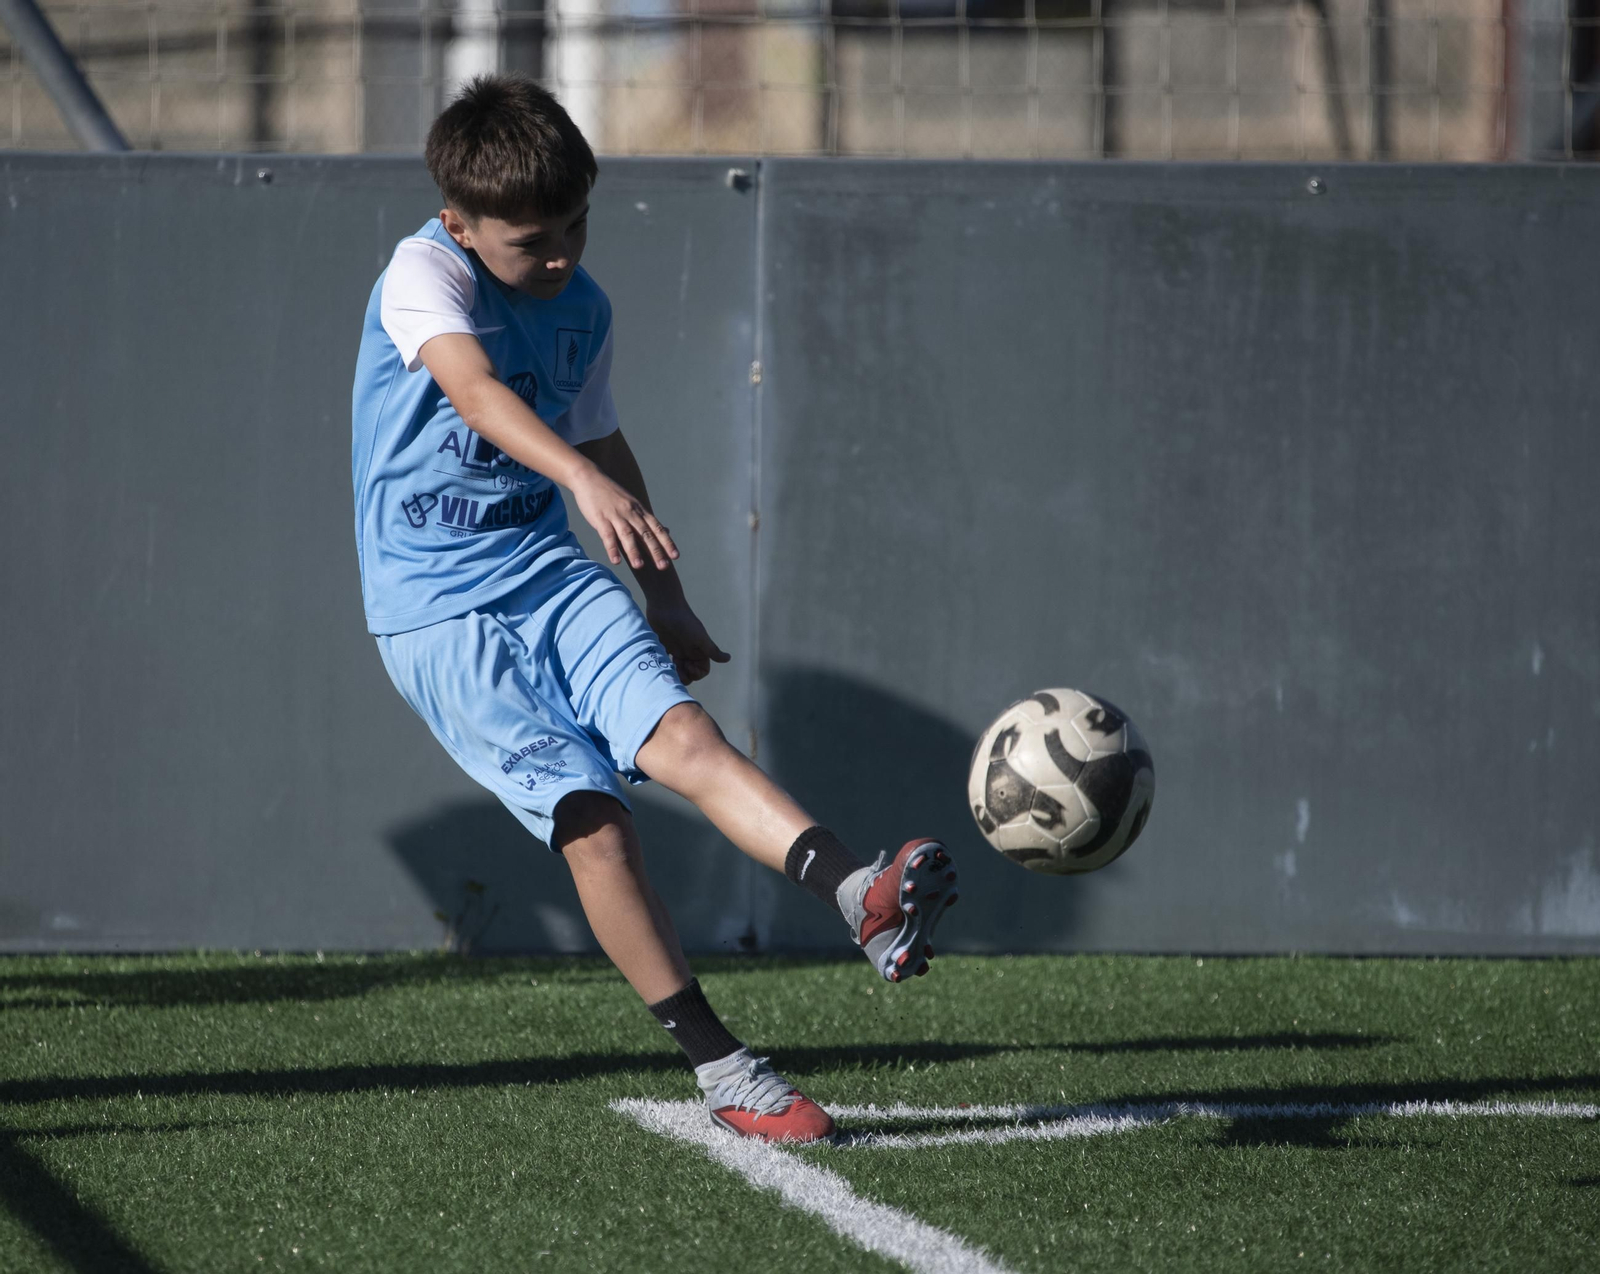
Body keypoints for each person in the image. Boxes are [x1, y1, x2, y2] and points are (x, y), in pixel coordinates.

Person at [350, 74, 958, 1144]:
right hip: (437, 613)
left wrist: (662, 589)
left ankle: (859, 889)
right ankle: (726, 1070)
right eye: (532, 238)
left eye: (576, 225)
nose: (561, 256)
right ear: (458, 224)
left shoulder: (583, 308)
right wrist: (582, 487)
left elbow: (600, 439)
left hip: (545, 569)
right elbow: (475, 393)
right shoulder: (421, 272)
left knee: (685, 734)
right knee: (597, 823)